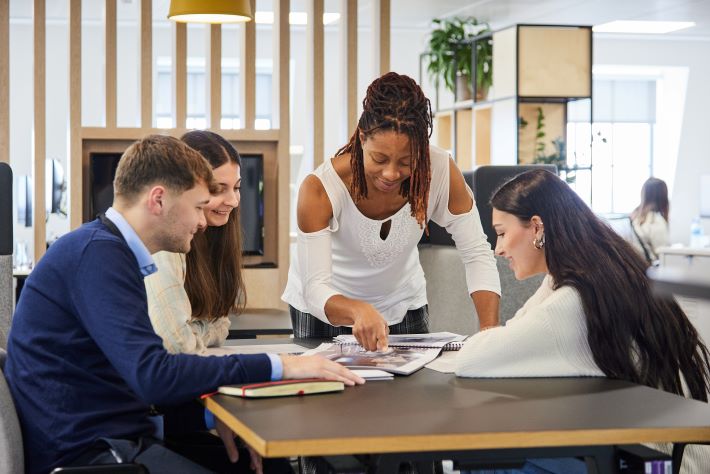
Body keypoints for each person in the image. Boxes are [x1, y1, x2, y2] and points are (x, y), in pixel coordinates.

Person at [4, 135, 364, 474]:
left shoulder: (106, 250)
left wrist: (209, 418)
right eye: (197, 207)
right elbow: (154, 377)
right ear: (158, 200)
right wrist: (280, 365)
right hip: (94, 457)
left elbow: (124, 392)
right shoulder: (97, 256)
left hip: (112, 438)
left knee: (270, 466)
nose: (201, 222)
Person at [454, 169, 710, 474]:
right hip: (658, 447)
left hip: (657, 460)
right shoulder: (588, 274)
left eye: (501, 233)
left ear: (536, 228)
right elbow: (518, 329)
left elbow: (471, 360)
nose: (499, 249)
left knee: (489, 461)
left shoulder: (574, 301)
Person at [282, 72, 500, 352]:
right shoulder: (321, 188)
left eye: (407, 162)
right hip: (324, 310)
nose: (391, 173)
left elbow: (477, 252)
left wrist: (489, 332)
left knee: (410, 394)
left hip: (403, 304)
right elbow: (315, 289)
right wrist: (358, 311)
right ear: (362, 137)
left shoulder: (441, 170)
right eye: (379, 158)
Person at [145, 130, 245, 354]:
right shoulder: (163, 244)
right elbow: (174, 343)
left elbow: (222, 324)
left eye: (236, 187)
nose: (233, 201)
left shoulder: (215, 236)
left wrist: (194, 331)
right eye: (219, 188)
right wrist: (202, 330)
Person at [629, 177, 670, 263]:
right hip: (648, 271)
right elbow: (663, 254)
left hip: (634, 267)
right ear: (663, 197)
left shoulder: (634, 217)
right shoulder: (655, 221)